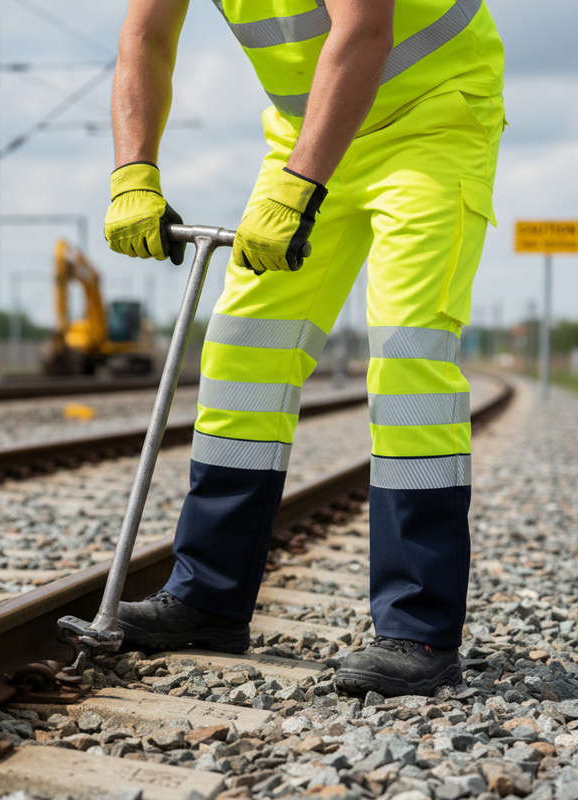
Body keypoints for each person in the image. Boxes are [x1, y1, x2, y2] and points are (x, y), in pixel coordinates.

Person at [103, 0, 505, 698]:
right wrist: (132, 172)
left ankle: (419, 628)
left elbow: (365, 30)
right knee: (241, 353)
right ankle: (207, 598)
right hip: (310, 130)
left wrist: (299, 186)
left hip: (435, 118)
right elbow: (144, 35)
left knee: (410, 358)